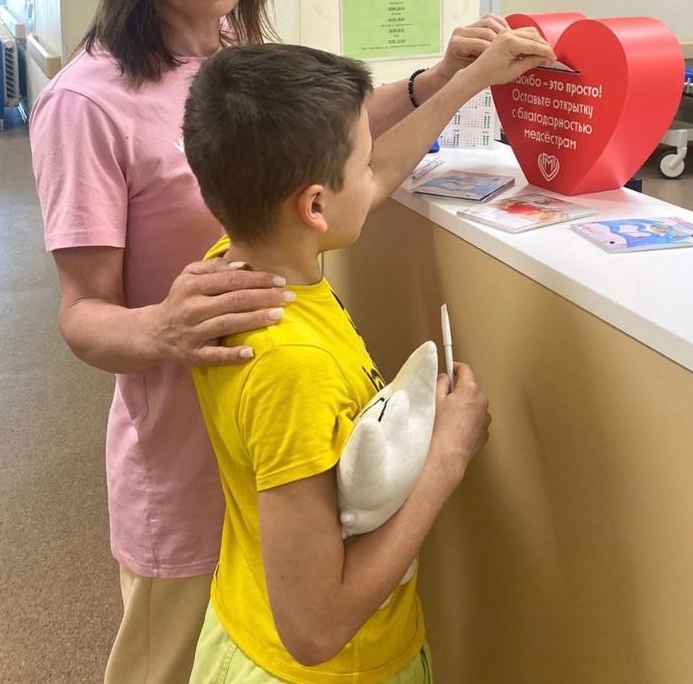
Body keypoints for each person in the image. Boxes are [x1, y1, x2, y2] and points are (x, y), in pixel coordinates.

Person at [28, 0, 536, 684]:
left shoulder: (235, 57)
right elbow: (81, 314)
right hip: (188, 458)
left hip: (283, 462)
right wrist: (161, 328)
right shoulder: (88, 102)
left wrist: (436, 81)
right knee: (170, 663)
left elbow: (334, 140)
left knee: (248, 651)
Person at [182, 37, 554, 684]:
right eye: (360, 161)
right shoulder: (291, 367)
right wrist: (446, 456)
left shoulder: (238, 264)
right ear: (314, 206)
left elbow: (379, 174)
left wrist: (467, 82)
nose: (374, 172)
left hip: (246, 625)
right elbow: (314, 628)